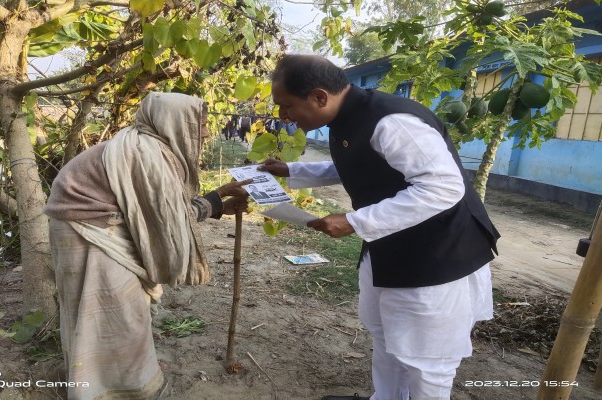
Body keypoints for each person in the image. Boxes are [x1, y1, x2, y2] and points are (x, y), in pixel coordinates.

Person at [259, 54, 500, 400]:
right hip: (391, 249)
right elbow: (359, 161)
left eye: (286, 106)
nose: (283, 116)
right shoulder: (348, 117)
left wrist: (355, 221)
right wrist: (292, 172)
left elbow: (444, 187)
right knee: (387, 339)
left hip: (436, 256)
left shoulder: (393, 122)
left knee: (426, 363)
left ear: (318, 97)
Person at [45, 92, 251, 400]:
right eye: (201, 124)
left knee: (107, 313)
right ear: (174, 122)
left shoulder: (146, 146)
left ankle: (101, 382)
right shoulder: (145, 154)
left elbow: (162, 210)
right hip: (87, 232)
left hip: (90, 227)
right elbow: (164, 222)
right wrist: (215, 204)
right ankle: (115, 389)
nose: (206, 132)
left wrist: (216, 200)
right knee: (115, 314)